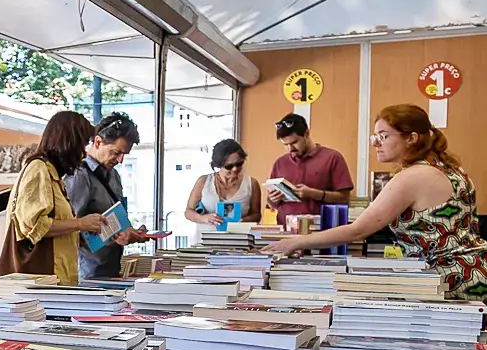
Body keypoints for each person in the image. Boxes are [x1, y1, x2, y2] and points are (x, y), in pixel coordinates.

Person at [265, 104, 487, 300]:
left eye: (384, 136)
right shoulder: (453, 170)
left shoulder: (411, 177)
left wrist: (293, 242)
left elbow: (357, 231)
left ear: (411, 138)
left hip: (447, 280)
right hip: (474, 272)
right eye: (375, 136)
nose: (376, 143)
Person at [0, 111, 113, 286]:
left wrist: (83, 231)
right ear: (68, 142)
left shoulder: (53, 175)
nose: (83, 153)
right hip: (40, 282)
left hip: (56, 279)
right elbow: (34, 225)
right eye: (81, 145)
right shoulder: (38, 169)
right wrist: (80, 223)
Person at [65, 112, 151, 279]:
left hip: (110, 268)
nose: (120, 160)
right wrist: (111, 236)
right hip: (87, 272)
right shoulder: (79, 176)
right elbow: (71, 229)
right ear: (98, 142)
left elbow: (112, 218)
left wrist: (127, 232)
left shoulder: (114, 176)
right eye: (116, 152)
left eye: (124, 154)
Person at [268, 112, 353, 221]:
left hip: (321, 230)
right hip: (286, 230)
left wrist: (314, 194)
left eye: (294, 142)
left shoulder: (332, 158)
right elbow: (272, 204)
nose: (290, 149)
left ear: (307, 134)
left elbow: (344, 198)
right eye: (285, 145)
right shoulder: (280, 163)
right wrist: (272, 199)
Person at [185, 138, 262, 245]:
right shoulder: (204, 181)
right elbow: (188, 212)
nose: (235, 169)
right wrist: (204, 218)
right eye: (229, 166)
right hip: (204, 243)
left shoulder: (251, 183)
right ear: (218, 165)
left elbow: (257, 215)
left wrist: (245, 220)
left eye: (239, 164)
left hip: (239, 244)